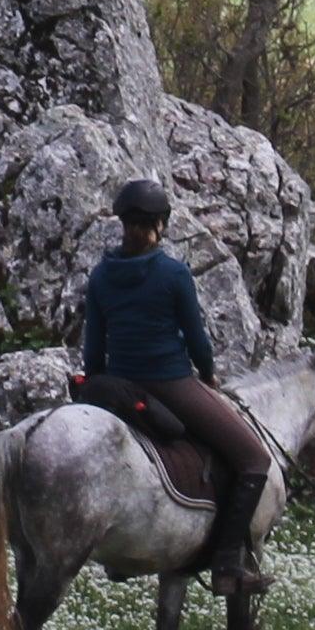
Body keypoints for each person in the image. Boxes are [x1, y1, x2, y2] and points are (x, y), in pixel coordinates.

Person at [74, 179, 271, 583]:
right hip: (171, 383)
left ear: (124, 223)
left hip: (121, 385)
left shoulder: (101, 277)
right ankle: (228, 563)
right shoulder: (173, 273)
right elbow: (197, 339)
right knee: (255, 459)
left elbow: (93, 352)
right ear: (160, 224)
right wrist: (208, 374)